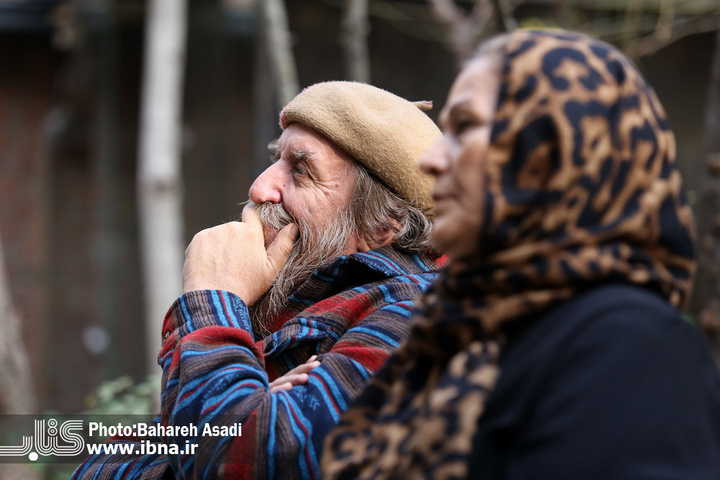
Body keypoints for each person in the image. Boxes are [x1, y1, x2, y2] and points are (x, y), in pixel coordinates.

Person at [321, 29, 720, 479]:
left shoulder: (630, 345)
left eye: (466, 127)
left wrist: (223, 301)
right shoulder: (450, 332)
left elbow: (254, 440)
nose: (430, 161)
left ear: (554, 148)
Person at [71, 81, 446, 479]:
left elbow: (237, 462)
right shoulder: (283, 300)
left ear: (384, 222)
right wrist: (246, 411)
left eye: (301, 171)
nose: (260, 187)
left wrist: (213, 301)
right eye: (275, 159)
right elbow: (102, 468)